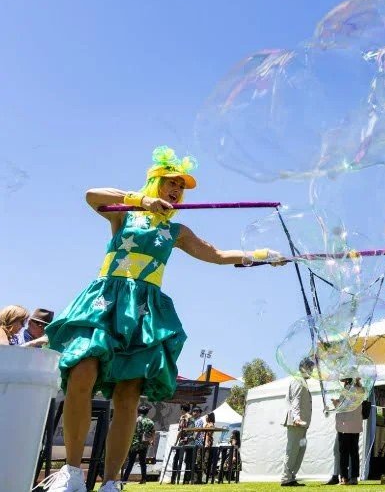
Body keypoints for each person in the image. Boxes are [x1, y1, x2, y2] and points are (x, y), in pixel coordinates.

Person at [38, 146, 284, 492]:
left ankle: (111, 483)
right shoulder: (125, 213)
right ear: (154, 183)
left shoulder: (177, 231)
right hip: (106, 301)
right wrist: (138, 200)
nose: (176, 190)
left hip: (145, 310)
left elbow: (214, 254)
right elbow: (91, 196)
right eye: (170, 182)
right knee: (82, 373)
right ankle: (72, 474)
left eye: (180, 187)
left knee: (128, 394)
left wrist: (260, 256)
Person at [281, 357, 314, 487]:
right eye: (310, 368)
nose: (311, 371)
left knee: (300, 450)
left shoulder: (302, 381)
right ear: (304, 368)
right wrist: (296, 417)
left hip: (302, 423)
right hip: (296, 422)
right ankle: (286, 478)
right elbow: (296, 400)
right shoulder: (297, 380)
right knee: (292, 450)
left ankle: (291, 477)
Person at [335, 378, 366, 485]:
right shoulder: (361, 390)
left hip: (345, 426)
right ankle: (354, 477)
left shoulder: (347, 390)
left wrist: (336, 403)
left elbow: (343, 406)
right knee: (354, 452)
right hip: (355, 426)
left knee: (344, 453)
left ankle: (344, 478)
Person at [121, 405, 155, 484]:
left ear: (139, 412)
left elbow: (131, 431)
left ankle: (124, 480)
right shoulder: (150, 421)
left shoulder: (136, 420)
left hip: (135, 444)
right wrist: (152, 441)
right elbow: (153, 432)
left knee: (131, 462)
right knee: (143, 462)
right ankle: (143, 479)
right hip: (144, 444)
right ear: (147, 412)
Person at [171, 404, 194, 484]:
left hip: (182, 441)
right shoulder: (192, 418)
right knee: (188, 461)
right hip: (190, 441)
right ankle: (186, 480)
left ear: (182, 409)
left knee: (176, 459)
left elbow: (181, 431)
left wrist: (176, 441)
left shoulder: (183, 418)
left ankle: (173, 479)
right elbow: (191, 431)